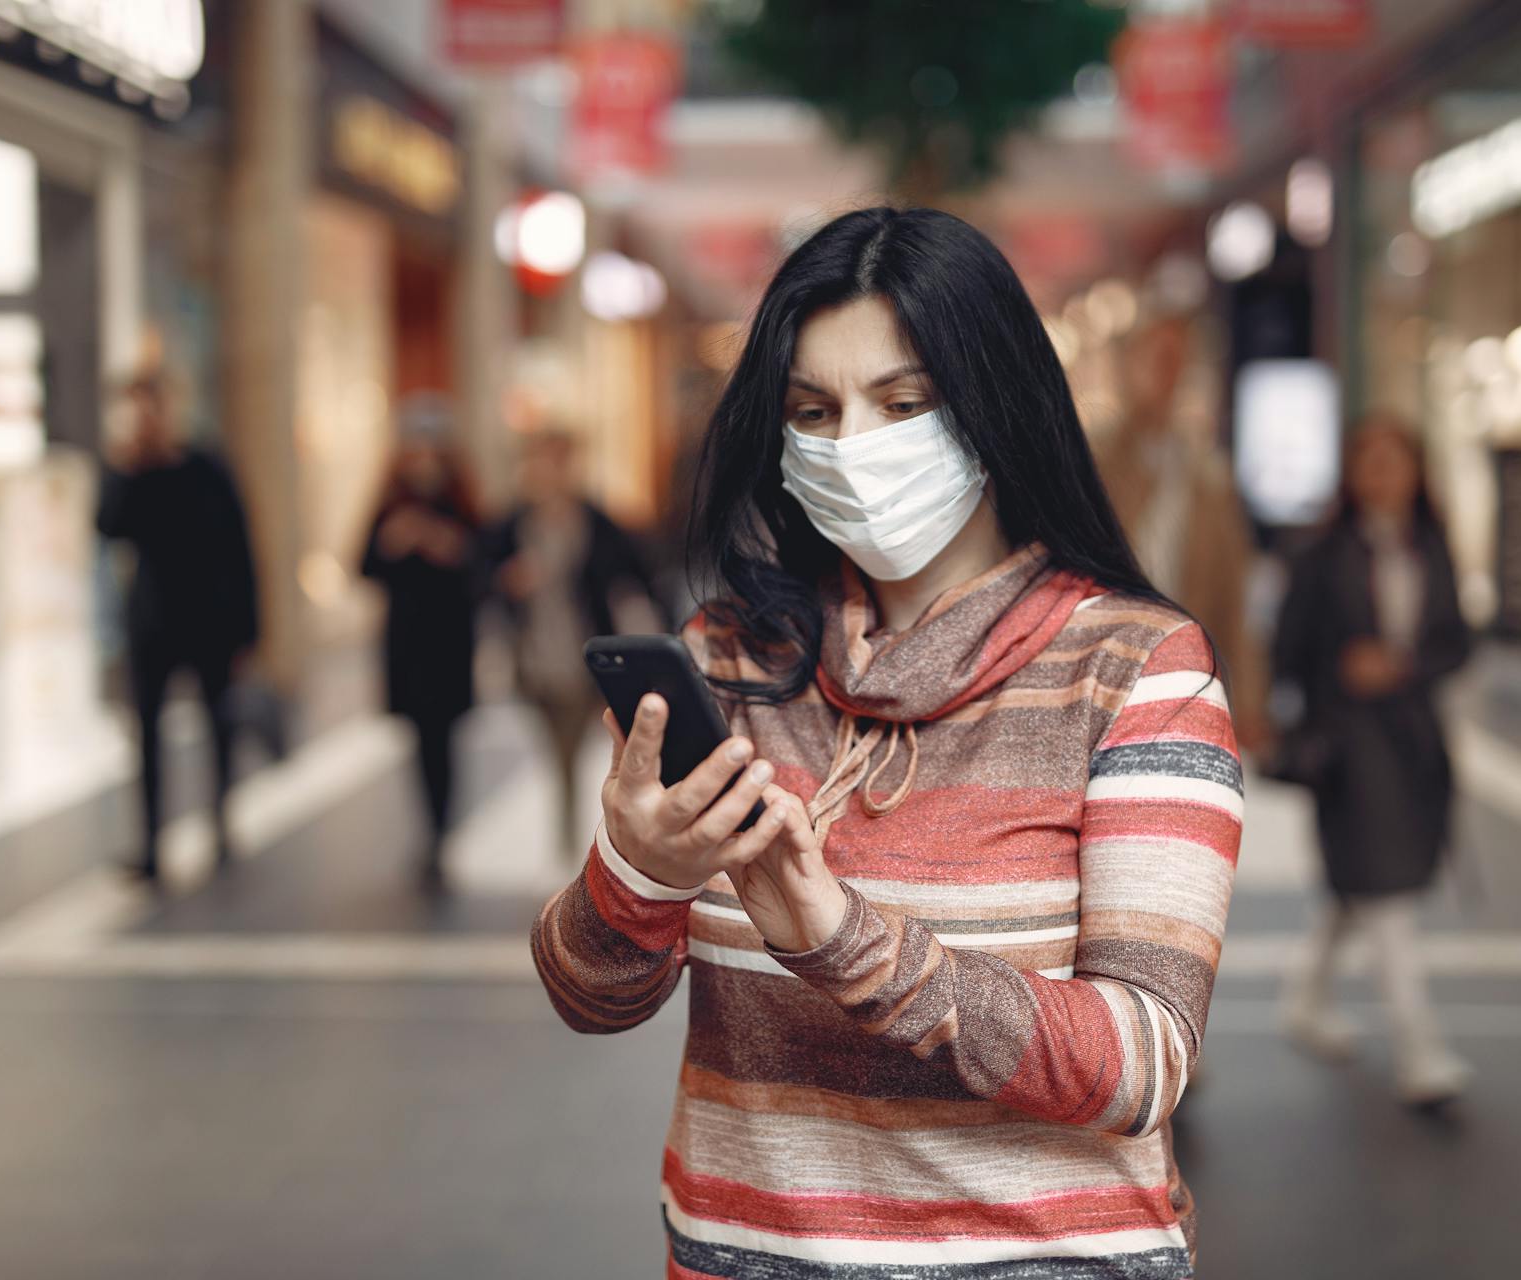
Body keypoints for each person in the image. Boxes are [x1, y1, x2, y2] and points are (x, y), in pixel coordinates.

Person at [529, 208, 1242, 1276]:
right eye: (813, 409)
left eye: (903, 402)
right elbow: (588, 994)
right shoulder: (727, 660)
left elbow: (1139, 1061)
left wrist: (841, 936)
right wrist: (637, 869)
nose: (850, 446)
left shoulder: (1138, 669)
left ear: (996, 403)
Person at [1271, 415, 1474, 1107]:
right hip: (1349, 742)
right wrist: (1338, 673)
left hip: (1413, 737)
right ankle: (1420, 1050)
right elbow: (1288, 648)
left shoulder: (1433, 548)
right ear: (1351, 472)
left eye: (1397, 457)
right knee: (1385, 895)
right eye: (1371, 458)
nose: (1384, 471)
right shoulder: (1323, 554)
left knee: (1359, 882)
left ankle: (1304, 998)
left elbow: (1457, 643)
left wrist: (1405, 665)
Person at [95, 370, 259, 883]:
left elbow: (240, 546)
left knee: (219, 723)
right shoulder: (131, 473)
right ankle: (151, 844)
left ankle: (220, 822)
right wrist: (126, 467)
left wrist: (249, 627)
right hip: (153, 623)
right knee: (146, 734)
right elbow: (106, 526)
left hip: (208, 620)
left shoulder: (206, 466)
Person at [483, 429, 664, 862]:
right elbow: (480, 578)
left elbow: (642, 576)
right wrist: (506, 582)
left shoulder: (597, 523)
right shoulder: (511, 525)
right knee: (559, 749)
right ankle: (574, 840)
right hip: (535, 656)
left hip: (588, 656)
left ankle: (589, 839)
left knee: (590, 749)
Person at [1101, 310, 1268, 749]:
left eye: (1176, 359)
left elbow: (1235, 600)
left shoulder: (1207, 476)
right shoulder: (1092, 460)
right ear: (1125, 365)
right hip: (1105, 679)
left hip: (1186, 680)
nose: (1165, 372)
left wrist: (1250, 701)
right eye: (1153, 356)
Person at [360, 395, 481, 888]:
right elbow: (364, 564)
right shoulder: (389, 502)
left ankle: (441, 833)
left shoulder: (461, 502)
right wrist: (393, 542)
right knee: (421, 741)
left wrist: (446, 546)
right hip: (407, 644)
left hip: (448, 641)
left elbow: (483, 565)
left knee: (444, 740)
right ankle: (431, 832)